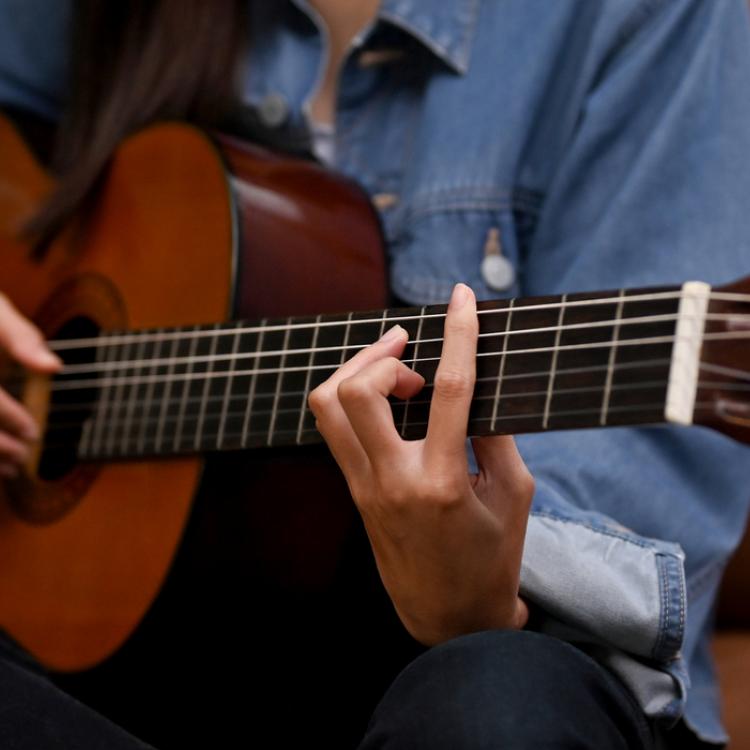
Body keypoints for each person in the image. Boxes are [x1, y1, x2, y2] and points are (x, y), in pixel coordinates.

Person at [1, 0, 750, 748]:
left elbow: (645, 491)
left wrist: (490, 583)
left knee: (493, 701)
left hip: (480, 678)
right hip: (136, 669)